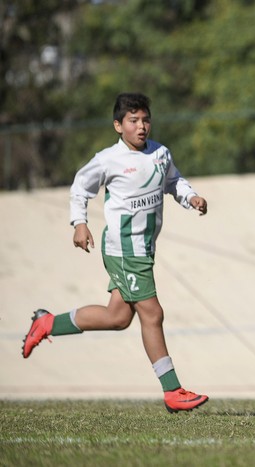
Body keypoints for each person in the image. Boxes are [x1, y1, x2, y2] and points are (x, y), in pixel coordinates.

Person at [22, 92, 209, 413]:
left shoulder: (161, 154)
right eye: (133, 121)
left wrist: (190, 197)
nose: (141, 126)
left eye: (145, 119)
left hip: (144, 249)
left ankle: (48, 323)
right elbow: (81, 186)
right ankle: (173, 392)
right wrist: (79, 224)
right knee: (153, 314)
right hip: (124, 249)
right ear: (118, 126)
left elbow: (174, 181)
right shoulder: (108, 159)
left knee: (118, 317)